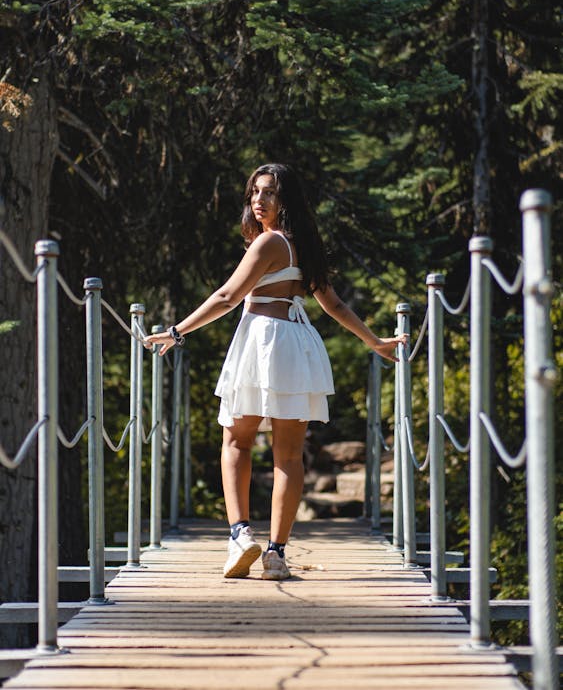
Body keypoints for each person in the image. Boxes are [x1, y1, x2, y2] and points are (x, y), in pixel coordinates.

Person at [144, 163, 408, 581]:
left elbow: (229, 296)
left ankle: (239, 534)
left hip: (262, 341)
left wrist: (176, 331)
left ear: (285, 200)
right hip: (297, 344)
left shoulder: (268, 243)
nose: (258, 200)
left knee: (236, 439)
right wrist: (373, 341)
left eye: (268, 192)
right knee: (288, 453)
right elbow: (333, 305)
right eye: (254, 192)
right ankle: (276, 555)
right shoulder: (304, 244)